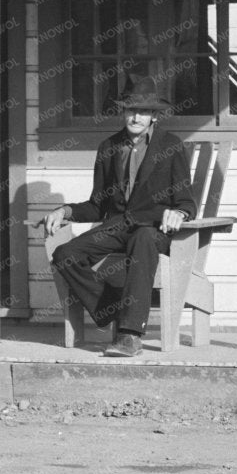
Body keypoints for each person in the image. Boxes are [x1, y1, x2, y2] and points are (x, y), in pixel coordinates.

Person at [43, 79, 194, 358]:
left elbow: (186, 201)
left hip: (152, 230)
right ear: (123, 113)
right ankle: (110, 306)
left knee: (143, 237)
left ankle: (130, 335)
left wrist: (179, 213)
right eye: (130, 110)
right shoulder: (109, 147)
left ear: (154, 116)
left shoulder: (171, 146)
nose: (136, 117)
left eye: (143, 112)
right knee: (65, 254)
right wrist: (64, 211)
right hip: (117, 226)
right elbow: (97, 205)